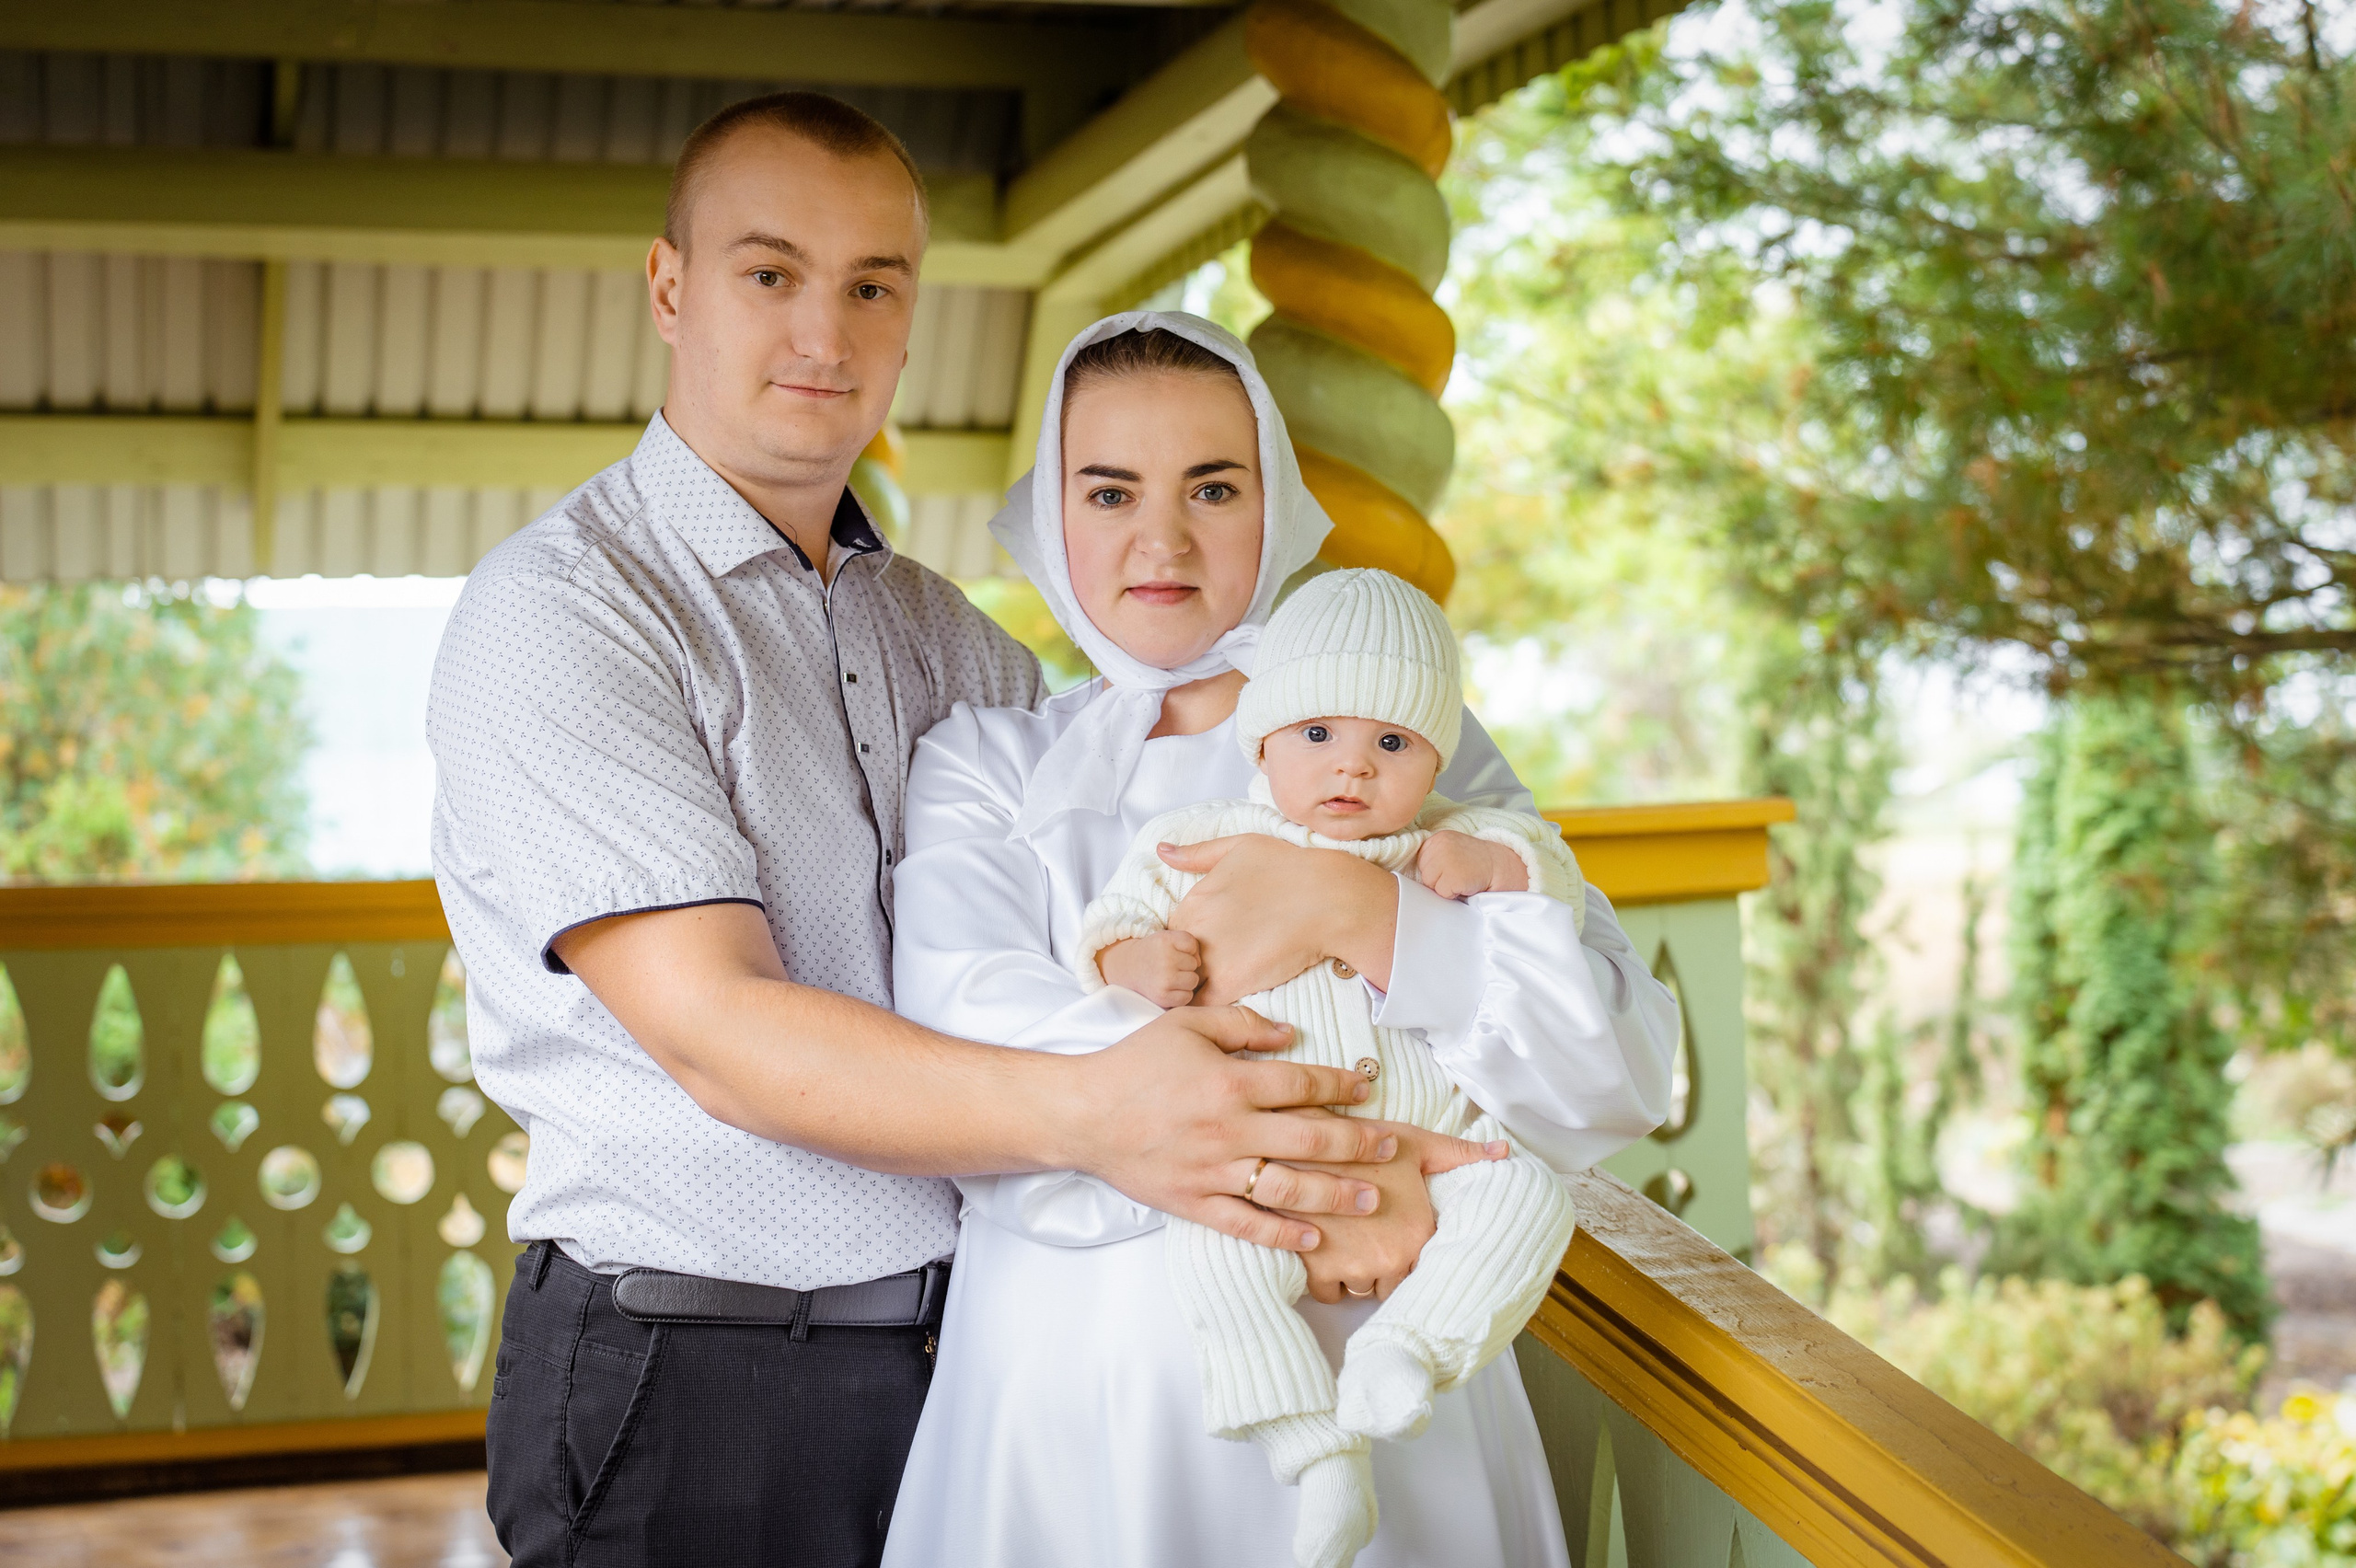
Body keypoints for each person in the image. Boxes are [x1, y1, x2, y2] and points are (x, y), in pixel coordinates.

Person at [427, 98, 1484, 1568]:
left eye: (875, 285)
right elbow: (716, 1034)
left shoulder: (949, 644)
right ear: (670, 288)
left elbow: (1123, 859)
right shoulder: (570, 611)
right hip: (700, 1365)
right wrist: (1117, 1115)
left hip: (958, 1358)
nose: (826, 332)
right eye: (770, 273)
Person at [882, 314, 1681, 1568]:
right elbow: (969, 1037)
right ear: (1053, 515)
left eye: (1214, 485)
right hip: (1070, 1389)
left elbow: (1611, 1068)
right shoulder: (990, 766)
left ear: (1277, 498)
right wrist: (1321, 1180)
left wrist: (1359, 913)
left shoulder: (1409, 739)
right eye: (1110, 491)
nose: (1163, 538)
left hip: (1391, 1383)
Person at [1083, 567, 1586, 1568]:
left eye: (1391, 743)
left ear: (1435, 755)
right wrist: (1133, 960)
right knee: (1216, 1259)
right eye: (1317, 735)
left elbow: (1550, 886)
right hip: (1261, 1157)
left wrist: (1495, 871)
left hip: (1439, 1159)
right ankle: (1312, 1453)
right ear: (1261, 741)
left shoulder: (1453, 836)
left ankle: (1410, 1353)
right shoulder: (1196, 840)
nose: (1352, 768)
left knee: (1529, 1198)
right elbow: (1106, 930)